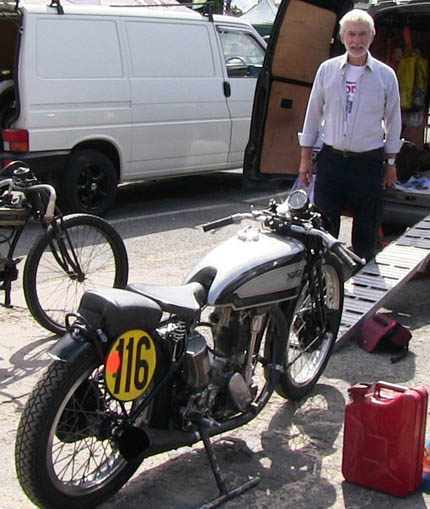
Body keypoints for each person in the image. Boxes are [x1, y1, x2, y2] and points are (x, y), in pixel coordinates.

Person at [298, 9, 403, 262]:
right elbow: (313, 114)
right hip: (332, 160)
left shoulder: (385, 75)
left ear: (372, 36)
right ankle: (325, 277)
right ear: (343, 37)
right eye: (351, 35)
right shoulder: (327, 70)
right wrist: (305, 158)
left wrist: (390, 164)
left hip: (368, 162)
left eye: (362, 35)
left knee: (366, 228)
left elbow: (393, 121)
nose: (357, 41)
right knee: (323, 227)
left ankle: (362, 274)